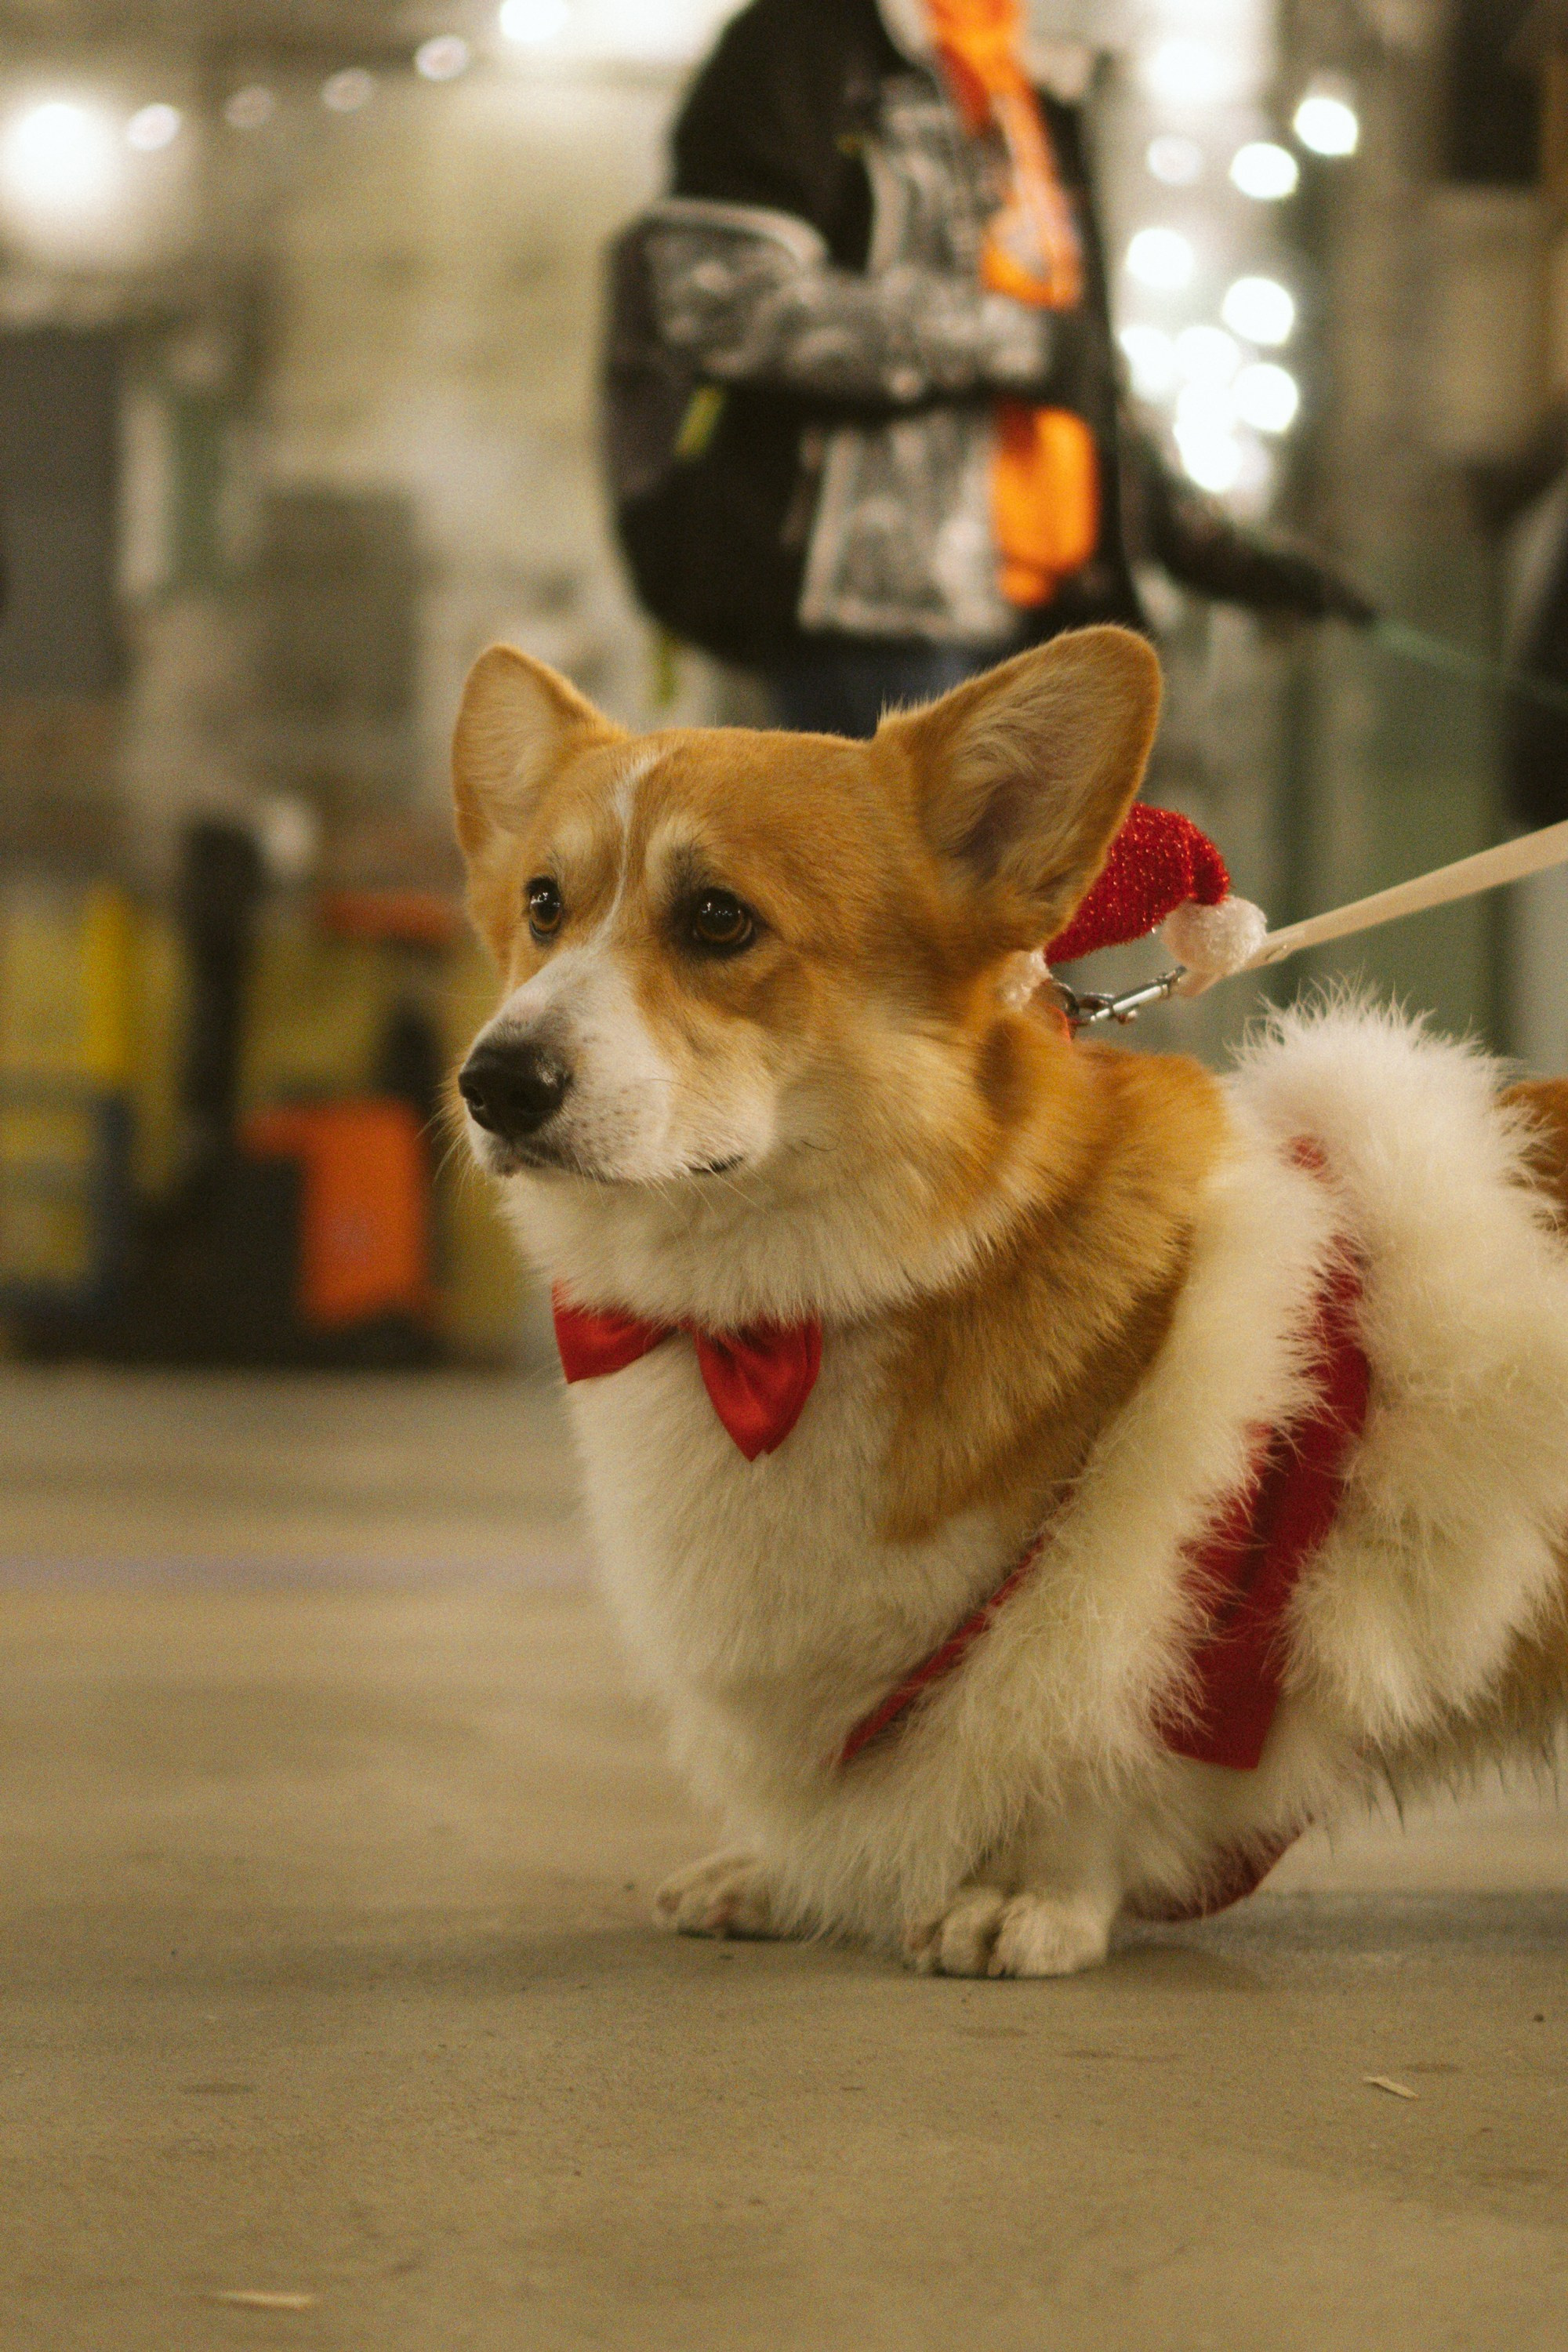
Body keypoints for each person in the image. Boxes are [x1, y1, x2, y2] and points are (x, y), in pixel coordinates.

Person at [606, 0, 1371, 738]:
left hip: (1044, 629)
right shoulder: (802, 42)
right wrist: (1011, 340)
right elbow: (717, 299)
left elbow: (1076, 375)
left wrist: (1209, 548)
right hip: (872, 634)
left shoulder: (1025, 74)